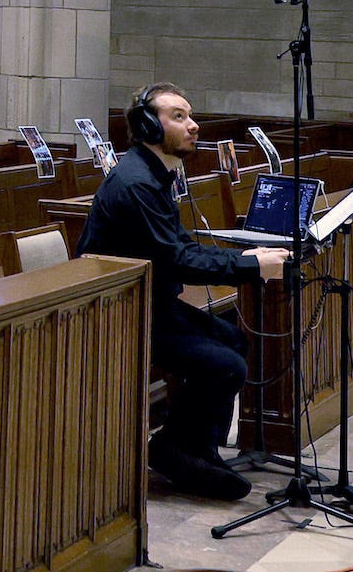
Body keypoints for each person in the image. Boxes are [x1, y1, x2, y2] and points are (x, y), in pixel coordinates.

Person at [77, 85, 288, 502]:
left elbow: (180, 249)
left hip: (148, 299)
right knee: (226, 364)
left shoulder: (156, 174)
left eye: (190, 116)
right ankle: (174, 449)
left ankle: (195, 448)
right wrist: (251, 266)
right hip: (120, 310)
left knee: (230, 337)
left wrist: (247, 257)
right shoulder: (137, 183)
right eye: (178, 116)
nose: (193, 126)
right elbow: (177, 260)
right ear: (148, 125)